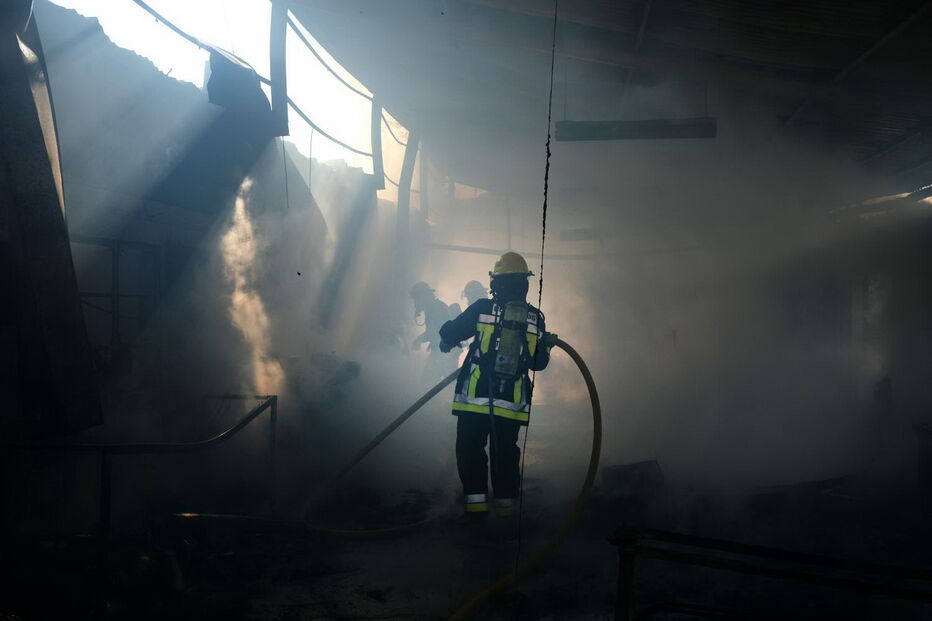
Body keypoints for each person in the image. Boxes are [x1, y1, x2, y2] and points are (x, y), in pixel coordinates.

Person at [438, 252, 551, 521]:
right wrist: (546, 343)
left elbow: (449, 333)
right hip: (511, 406)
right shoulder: (535, 318)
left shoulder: (482, 308)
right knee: (505, 457)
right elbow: (539, 364)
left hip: (475, 400)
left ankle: (476, 514)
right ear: (524, 283)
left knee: (470, 452)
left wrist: (446, 332)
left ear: (496, 283)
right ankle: (506, 516)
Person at [409, 281, 457, 381]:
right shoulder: (432, 308)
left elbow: (437, 331)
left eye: (416, 299)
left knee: (428, 381)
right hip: (442, 351)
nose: (415, 303)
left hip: (446, 353)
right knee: (432, 380)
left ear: (423, 297)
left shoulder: (436, 308)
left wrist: (419, 339)